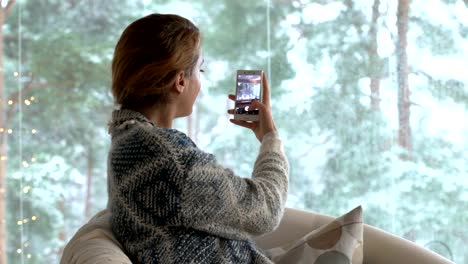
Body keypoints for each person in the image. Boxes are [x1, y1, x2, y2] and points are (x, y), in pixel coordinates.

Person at [107, 13, 289, 263]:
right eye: (199, 69)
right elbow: (266, 209)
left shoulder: (125, 141)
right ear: (180, 80)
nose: (200, 81)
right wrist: (270, 137)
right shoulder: (171, 160)